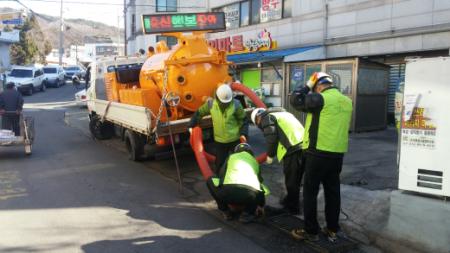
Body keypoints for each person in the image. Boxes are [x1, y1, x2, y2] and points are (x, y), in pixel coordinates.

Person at [289, 72, 352, 242]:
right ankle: (333, 228)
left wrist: (308, 85)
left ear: (319, 86)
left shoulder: (320, 99)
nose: (314, 91)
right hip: (337, 154)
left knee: (310, 192)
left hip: (317, 154)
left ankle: (311, 231)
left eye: (315, 88)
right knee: (333, 192)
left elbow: (295, 100)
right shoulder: (347, 101)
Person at [251, 107, 304, 214]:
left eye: (257, 124)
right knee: (295, 178)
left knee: (292, 181)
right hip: (303, 146)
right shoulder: (284, 114)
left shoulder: (267, 118)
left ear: (257, 118)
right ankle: (290, 200)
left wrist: (270, 155)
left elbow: (272, 139)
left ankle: (293, 209)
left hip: (293, 149)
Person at [188, 84, 248, 174]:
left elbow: (243, 119)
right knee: (219, 163)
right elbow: (199, 113)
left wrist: (243, 133)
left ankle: (242, 179)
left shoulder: (236, 104)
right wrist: (191, 125)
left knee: (240, 161)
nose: (225, 103)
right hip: (220, 142)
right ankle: (218, 180)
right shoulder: (211, 104)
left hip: (235, 140)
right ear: (217, 97)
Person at [206, 143, 268, 223]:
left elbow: (221, 175)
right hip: (249, 195)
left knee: (210, 180)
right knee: (257, 188)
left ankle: (225, 211)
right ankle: (247, 214)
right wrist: (261, 205)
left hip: (227, 192)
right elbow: (260, 183)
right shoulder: (254, 161)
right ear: (250, 153)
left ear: (236, 152)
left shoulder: (231, 157)